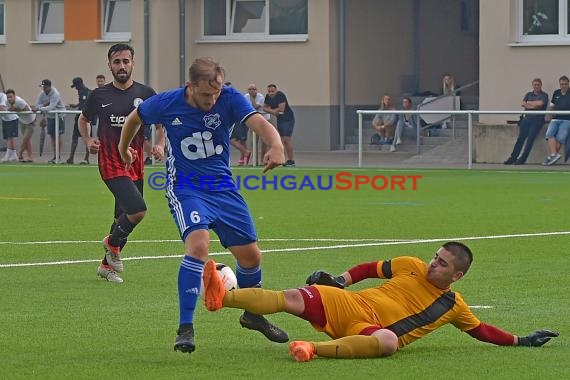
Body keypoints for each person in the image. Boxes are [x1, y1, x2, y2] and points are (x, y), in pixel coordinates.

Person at [117, 57, 288, 354]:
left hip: (223, 187)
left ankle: (252, 313)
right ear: (190, 86)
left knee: (250, 256)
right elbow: (135, 119)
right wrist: (124, 149)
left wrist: (276, 146)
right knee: (198, 245)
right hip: (185, 187)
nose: (212, 100)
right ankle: (186, 327)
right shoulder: (167, 102)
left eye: (216, 93)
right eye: (206, 94)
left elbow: (260, 123)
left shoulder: (230, 97)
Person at [202, 242, 559, 362]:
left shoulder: (454, 305)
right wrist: (341, 281)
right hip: (351, 305)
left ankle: (311, 348)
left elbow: (480, 330)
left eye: (443, 263)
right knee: (292, 296)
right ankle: (223, 297)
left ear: (457, 276)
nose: (434, 263)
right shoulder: (411, 265)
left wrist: (521, 339)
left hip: (369, 330)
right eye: (436, 257)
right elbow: (370, 268)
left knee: (388, 342)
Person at [78, 43, 164, 284]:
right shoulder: (99, 95)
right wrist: (88, 140)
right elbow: (83, 119)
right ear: (110, 65)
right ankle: (112, 243)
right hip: (110, 163)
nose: (122, 66)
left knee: (121, 216)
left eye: (126, 61)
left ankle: (106, 266)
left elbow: (160, 124)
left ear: (133, 63)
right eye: (117, 62)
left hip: (136, 164)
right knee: (137, 210)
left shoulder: (146, 94)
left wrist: (160, 145)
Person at [504, 78, 548, 165]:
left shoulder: (544, 95)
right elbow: (523, 104)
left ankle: (522, 159)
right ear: (532, 85)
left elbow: (541, 104)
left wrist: (529, 104)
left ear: (541, 85)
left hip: (537, 120)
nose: (536, 86)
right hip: (527, 119)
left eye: (538, 85)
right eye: (535, 85)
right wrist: (534, 105)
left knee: (530, 140)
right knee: (520, 139)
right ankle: (513, 158)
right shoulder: (528, 94)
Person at [31, 79, 66, 164]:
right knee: (52, 136)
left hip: (59, 115)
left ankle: (58, 156)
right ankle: (55, 156)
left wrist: (40, 108)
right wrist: (43, 105)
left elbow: (51, 106)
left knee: (58, 136)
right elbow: (37, 105)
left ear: (49, 86)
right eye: (43, 87)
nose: (44, 89)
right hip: (50, 116)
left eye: (45, 87)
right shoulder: (42, 94)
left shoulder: (55, 94)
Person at [263, 84, 296, 167]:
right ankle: (282, 159)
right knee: (280, 139)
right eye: (269, 91)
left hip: (288, 119)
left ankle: (291, 160)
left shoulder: (280, 95)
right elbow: (264, 108)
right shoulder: (267, 96)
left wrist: (271, 111)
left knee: (286, 139)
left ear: (276, 90)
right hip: (280, 120)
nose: (271, 93)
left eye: (272, 91)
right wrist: (273, 111)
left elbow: (281, 109)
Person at [542, 75, 570, 166]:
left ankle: (551, 156)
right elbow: (551, 106)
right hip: (555, 119)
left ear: (568, 84)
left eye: (565, 84)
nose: (564, 86)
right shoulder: (556, 93)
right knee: (549, 134)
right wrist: (550, 118)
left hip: (567, 120)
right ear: (559, 84)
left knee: (560, 138)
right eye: (562, 84)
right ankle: (554, 154)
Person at [6, 89, 36, 162]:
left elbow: (28, 110)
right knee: (27, 140)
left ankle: (19, 154)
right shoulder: (7, 102)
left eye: (11, 97)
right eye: (8, 97)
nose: (9, 99)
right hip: (22, 121)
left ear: (14, 96)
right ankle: (30, 157)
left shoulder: (19, 101)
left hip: (30, 121)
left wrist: (16, 109)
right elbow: (8, 109)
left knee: (25, 139)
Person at [66, 77, 91, 165]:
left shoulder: (86, 92)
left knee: (86, 138)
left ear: (79, 85)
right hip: (79, 117)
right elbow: (82, 103)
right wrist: (76, 105)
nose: (75, 88)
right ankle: (71, 158)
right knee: (74, 137)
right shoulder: (81, 92)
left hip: (85, 118)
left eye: (76, 86)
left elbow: (85, 104)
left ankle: (86, 158)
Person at [0, 90, 19, 162]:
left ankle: (8, 155)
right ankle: (14, 155)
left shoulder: (3, 96)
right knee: (8, 137)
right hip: (5, 119)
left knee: (10, 137)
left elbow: (1, 107)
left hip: (12, 118)